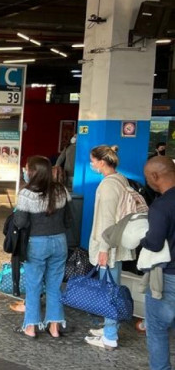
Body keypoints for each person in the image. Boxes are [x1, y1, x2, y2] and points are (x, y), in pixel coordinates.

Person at [13, 156, 71, 339]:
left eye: (27, 168)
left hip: (36, 243)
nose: (24, 171)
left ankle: (30, 327)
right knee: (55, 286)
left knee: (34, 286)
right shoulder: (61, 190)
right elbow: (69, 220)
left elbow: (20, 222)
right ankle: (54, 327)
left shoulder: (26, 194)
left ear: (32, 172)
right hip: (60, 242)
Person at [85, 145, 132, 350]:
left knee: (109, 290)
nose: (92, 164)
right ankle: (108, 327)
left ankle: (110, 335)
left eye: (93, 161)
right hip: (116, 244)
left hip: (109, 247)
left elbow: (107, 221)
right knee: (110, 287)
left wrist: (103, 249)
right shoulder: (120, 179)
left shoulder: (108, 186)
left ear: (102, 162)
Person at [140, 156, 175, 369]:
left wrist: (141, 239)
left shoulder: (161, 206)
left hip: (168, 277)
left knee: (157, 330)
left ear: (154, 176)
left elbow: (153, 243)